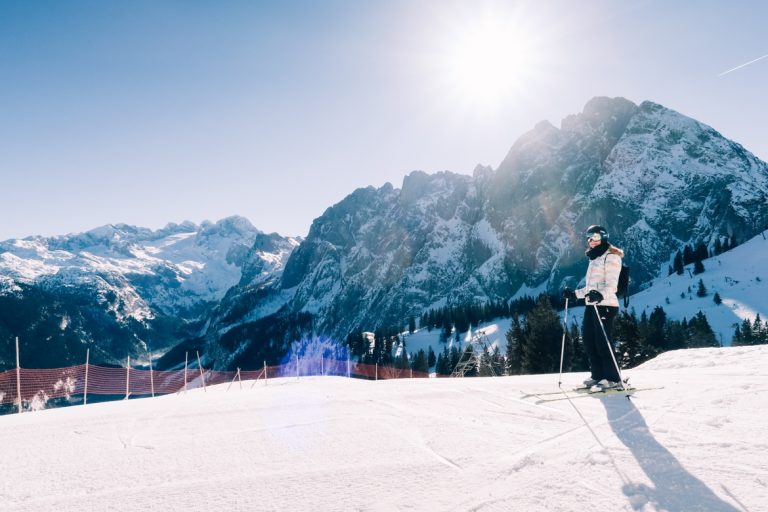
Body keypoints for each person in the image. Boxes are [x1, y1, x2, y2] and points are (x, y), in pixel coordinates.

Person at [563, 225, 625, 391]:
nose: (591, 240)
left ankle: (613, 378)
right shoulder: (594, 258)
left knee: (602, 341)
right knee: (589, 339)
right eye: (589, 237)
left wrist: (600, 295)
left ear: (603, 237)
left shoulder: (611, 257)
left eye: (596, 237)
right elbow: (591, 287)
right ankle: (598, 375)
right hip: (592, 305)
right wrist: (575, 294)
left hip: (606, 305)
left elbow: (612, 285)